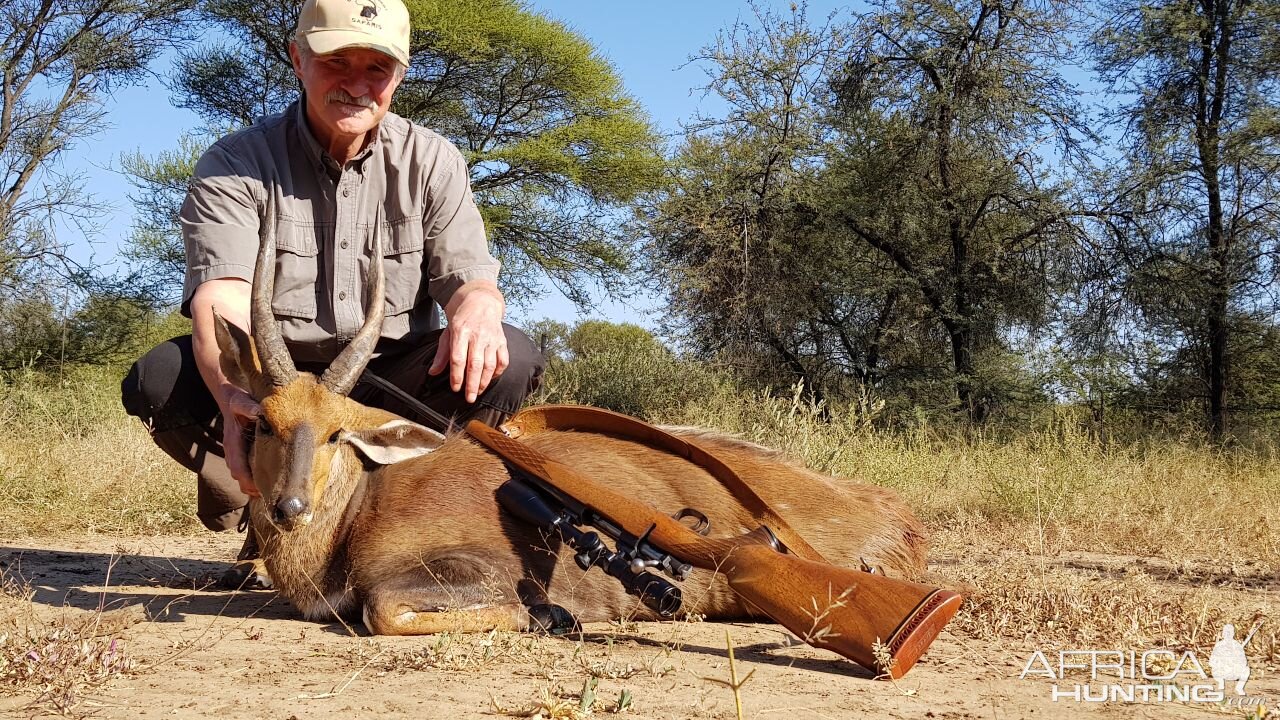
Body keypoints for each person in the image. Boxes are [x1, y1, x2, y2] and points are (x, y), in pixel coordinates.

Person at [120, 0, 544, 586]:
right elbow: (220, 300)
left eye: (377, 68)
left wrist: (479, 307)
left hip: (387, 379)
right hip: (281, 383)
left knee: (510, 358)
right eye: (336, 61)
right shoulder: (235, 162)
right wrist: (232, 400)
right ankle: (265, 505)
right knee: (160, 379)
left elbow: (472, 280)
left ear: (401, 73)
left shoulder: (433, 160)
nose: (356, 84)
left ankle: (420, 516)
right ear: (298, 58)